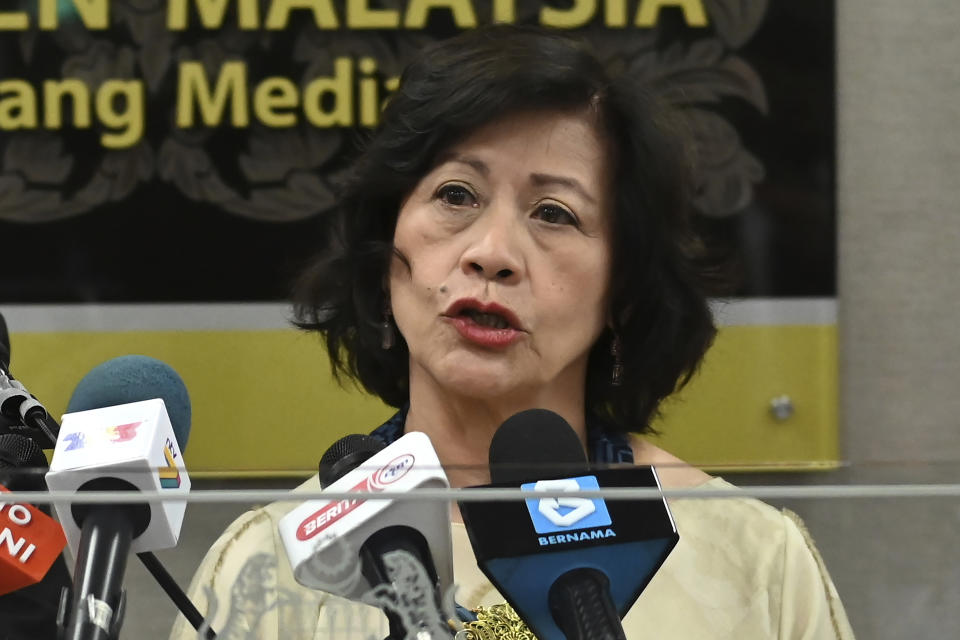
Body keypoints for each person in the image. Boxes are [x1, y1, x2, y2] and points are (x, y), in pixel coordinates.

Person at [171, 25, 854, 639]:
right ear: (386, 253)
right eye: (456, 196)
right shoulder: (268, 569)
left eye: (554, 213)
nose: (492, 252)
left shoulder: (749, 562)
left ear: (622, 285)